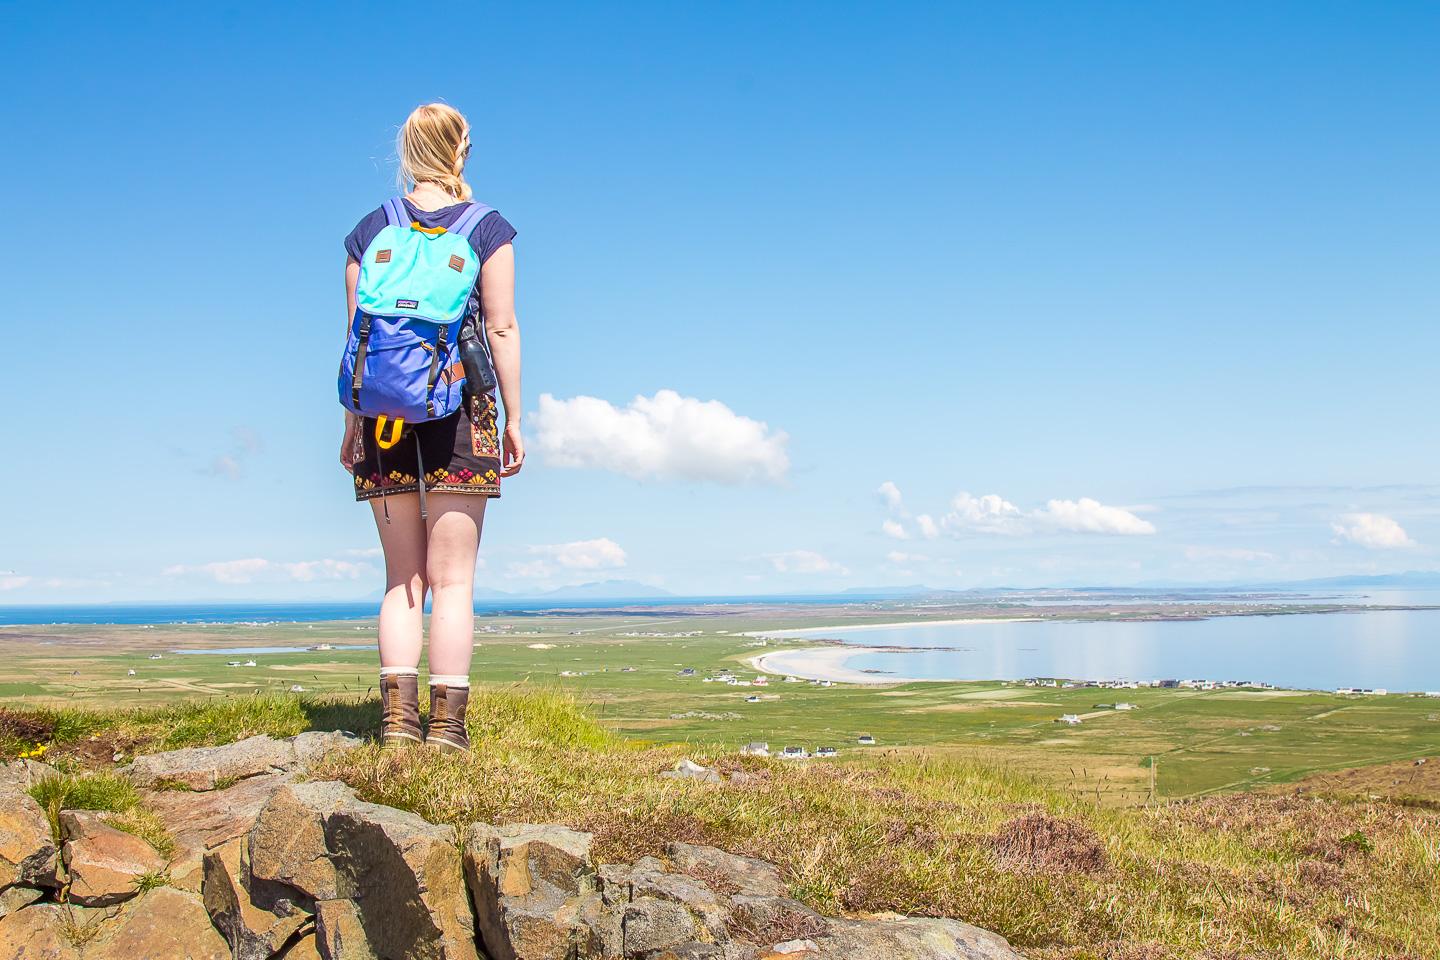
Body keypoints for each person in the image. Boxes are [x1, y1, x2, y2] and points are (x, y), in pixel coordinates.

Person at [339, 103, 523, 752]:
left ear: (407, 151)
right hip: (462, 410)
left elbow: (359, 340)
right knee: (453, 582)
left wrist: (352, 425)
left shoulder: (370, 230)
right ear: (461, 152)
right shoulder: (486, 228)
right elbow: (499, 326)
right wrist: (513, 418)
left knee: (402, 581)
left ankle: (395, 724)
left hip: (381, 413)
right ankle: (446, 728)